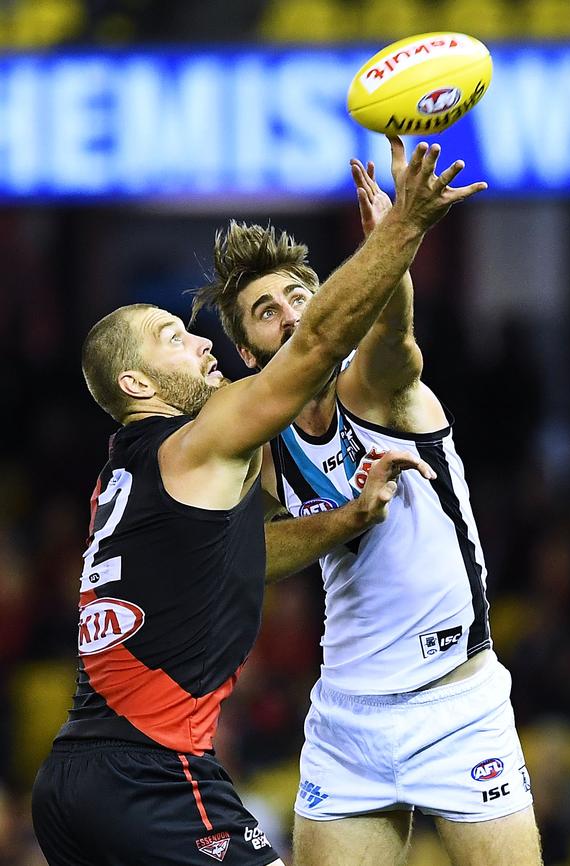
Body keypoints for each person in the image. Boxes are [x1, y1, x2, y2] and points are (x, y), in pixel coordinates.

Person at [30, 140, 478, 866]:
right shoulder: (199, 442)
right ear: (138, 387)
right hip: (152, 775)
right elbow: (316, 346)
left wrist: (345, 518)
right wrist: (404, 229)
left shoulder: (128, 476)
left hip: (71, 781)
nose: (203, 346)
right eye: (174, 340)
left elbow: (238, 558)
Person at [194, 138, 543, 866]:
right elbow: (245, 561)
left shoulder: (375, 387)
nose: (291, 314)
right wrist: (345, 518)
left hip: (457, 704)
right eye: (266, 311)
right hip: (347, 715)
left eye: (300, 296)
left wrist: (396, 237)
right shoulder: (259, 444)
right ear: (251, 356)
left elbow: (393, 332)